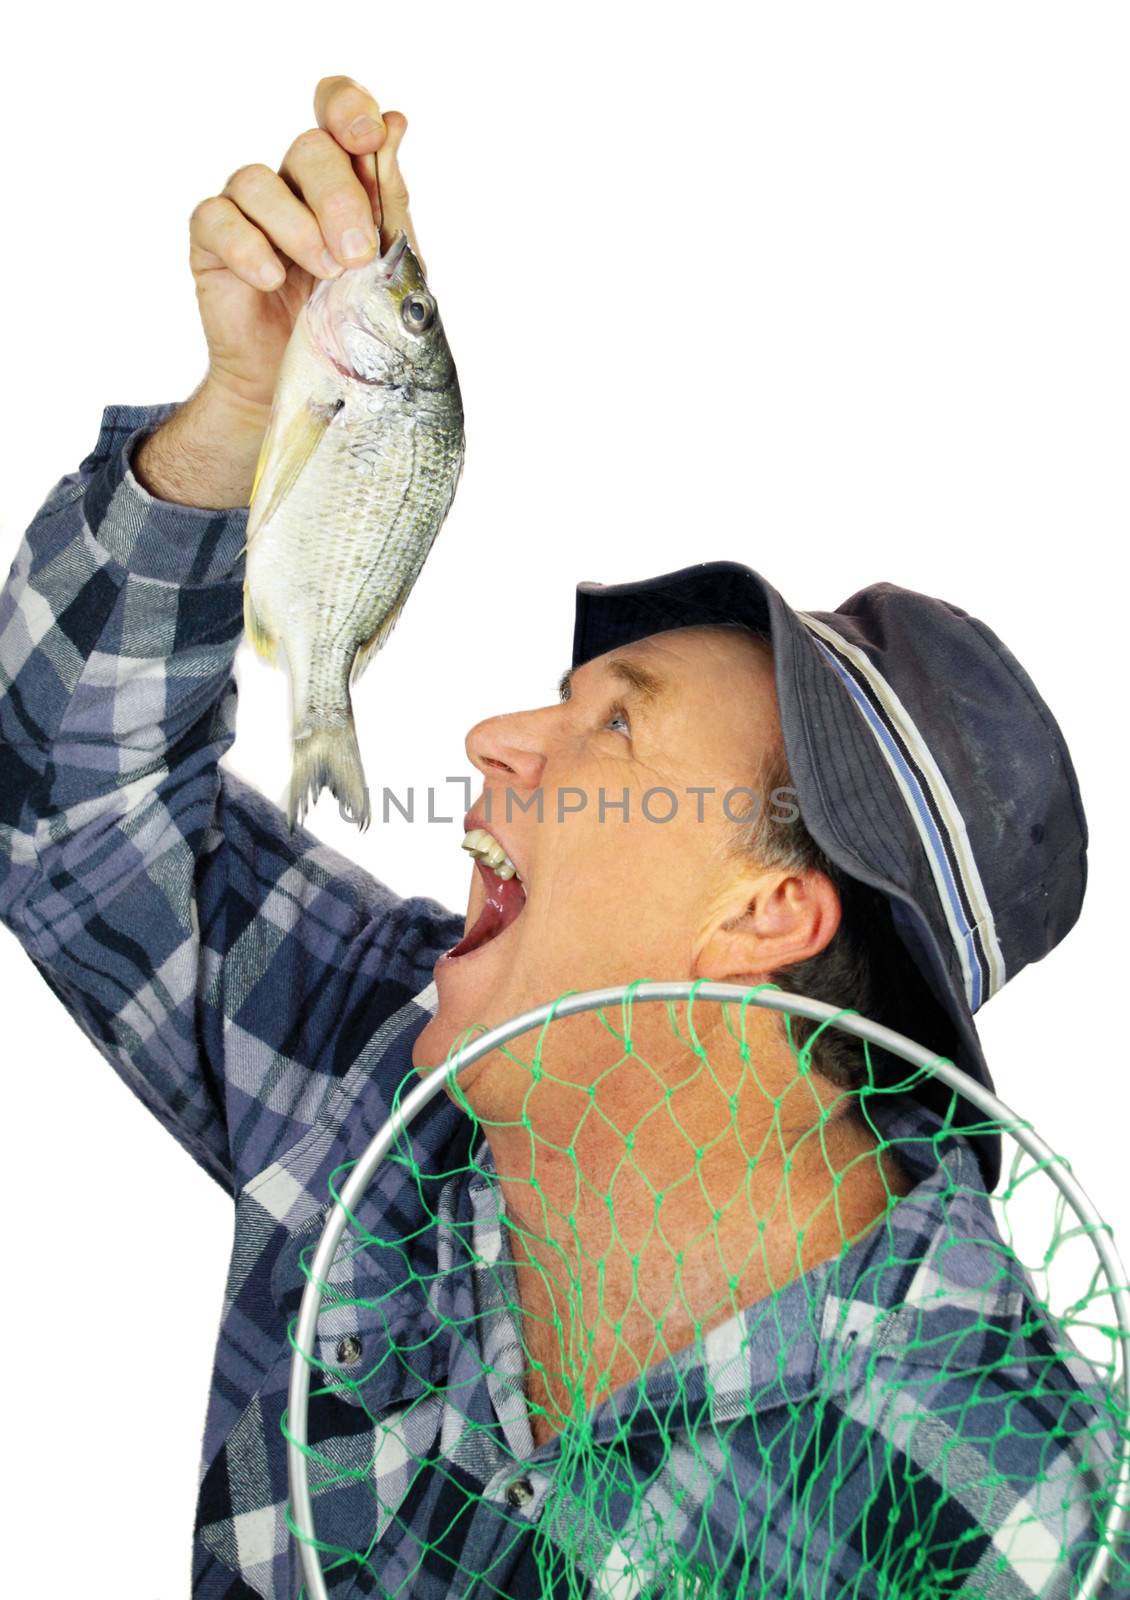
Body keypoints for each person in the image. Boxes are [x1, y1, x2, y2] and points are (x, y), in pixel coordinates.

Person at [0, 74, 1123, 1600]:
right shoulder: (379, 1079)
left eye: (615, 728)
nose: (487, 741)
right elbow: (70, 810)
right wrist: (240, 428)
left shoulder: (1021, 1511)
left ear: (769, 915)